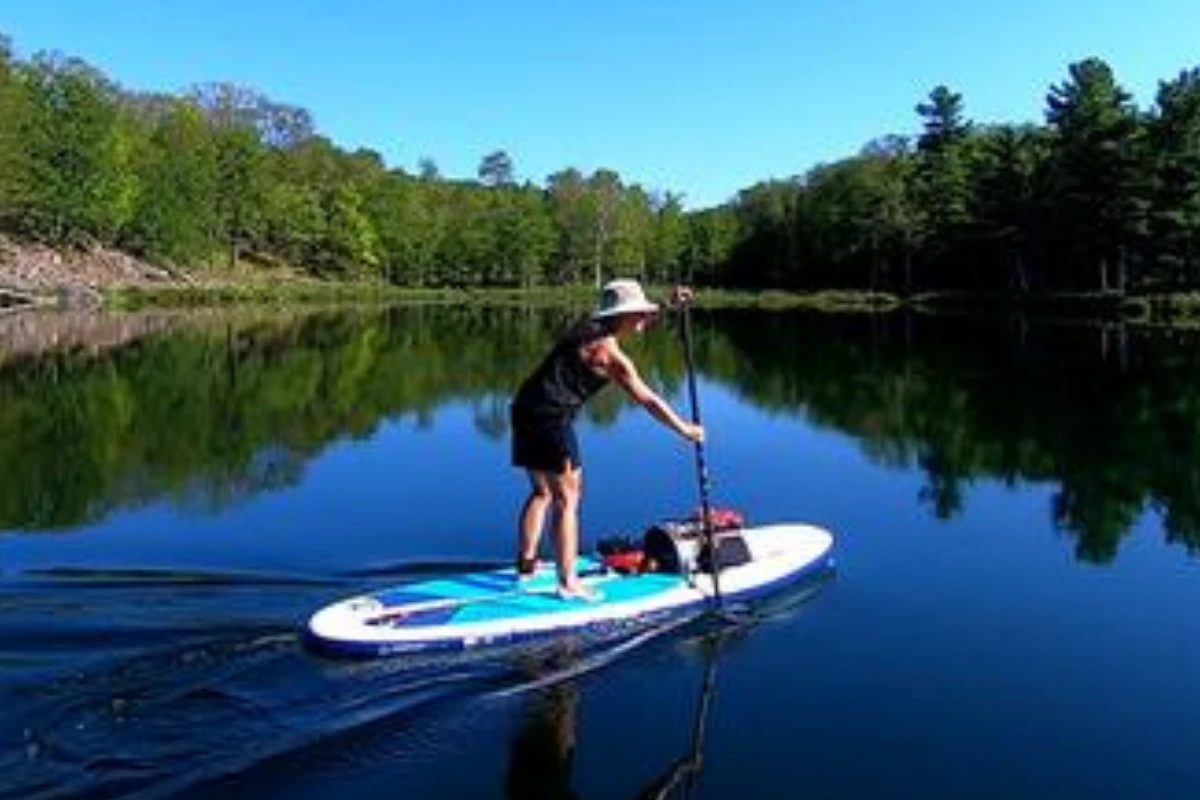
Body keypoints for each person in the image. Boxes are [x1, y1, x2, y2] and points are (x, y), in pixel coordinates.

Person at [510, 279, 704, 600]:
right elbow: (649, 401)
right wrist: (686, 429)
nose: (644, 319)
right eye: (639, 314)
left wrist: (668, 305)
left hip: (524, 408)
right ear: (624, 315)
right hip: (552, 418)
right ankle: (568, 583)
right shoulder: (612, 358)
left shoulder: (585, 326)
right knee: (568, 501)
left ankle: (526, 568)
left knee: (542, 492)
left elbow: (633, 320)